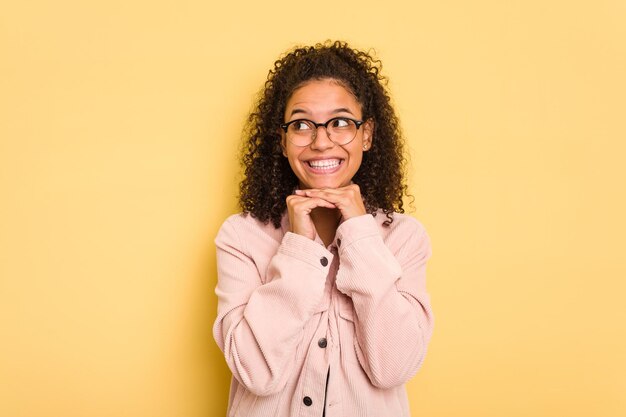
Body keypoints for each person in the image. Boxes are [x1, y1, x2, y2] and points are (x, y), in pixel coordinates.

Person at [213, 40, 434, 417]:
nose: (320, 141)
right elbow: (256, 373)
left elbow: (393, 368)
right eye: (301, 124)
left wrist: (361, 236)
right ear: (282, 141)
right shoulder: (240, 236)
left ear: (366, 134)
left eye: (341, 122)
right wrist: (298, 247)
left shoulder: (404, 238)